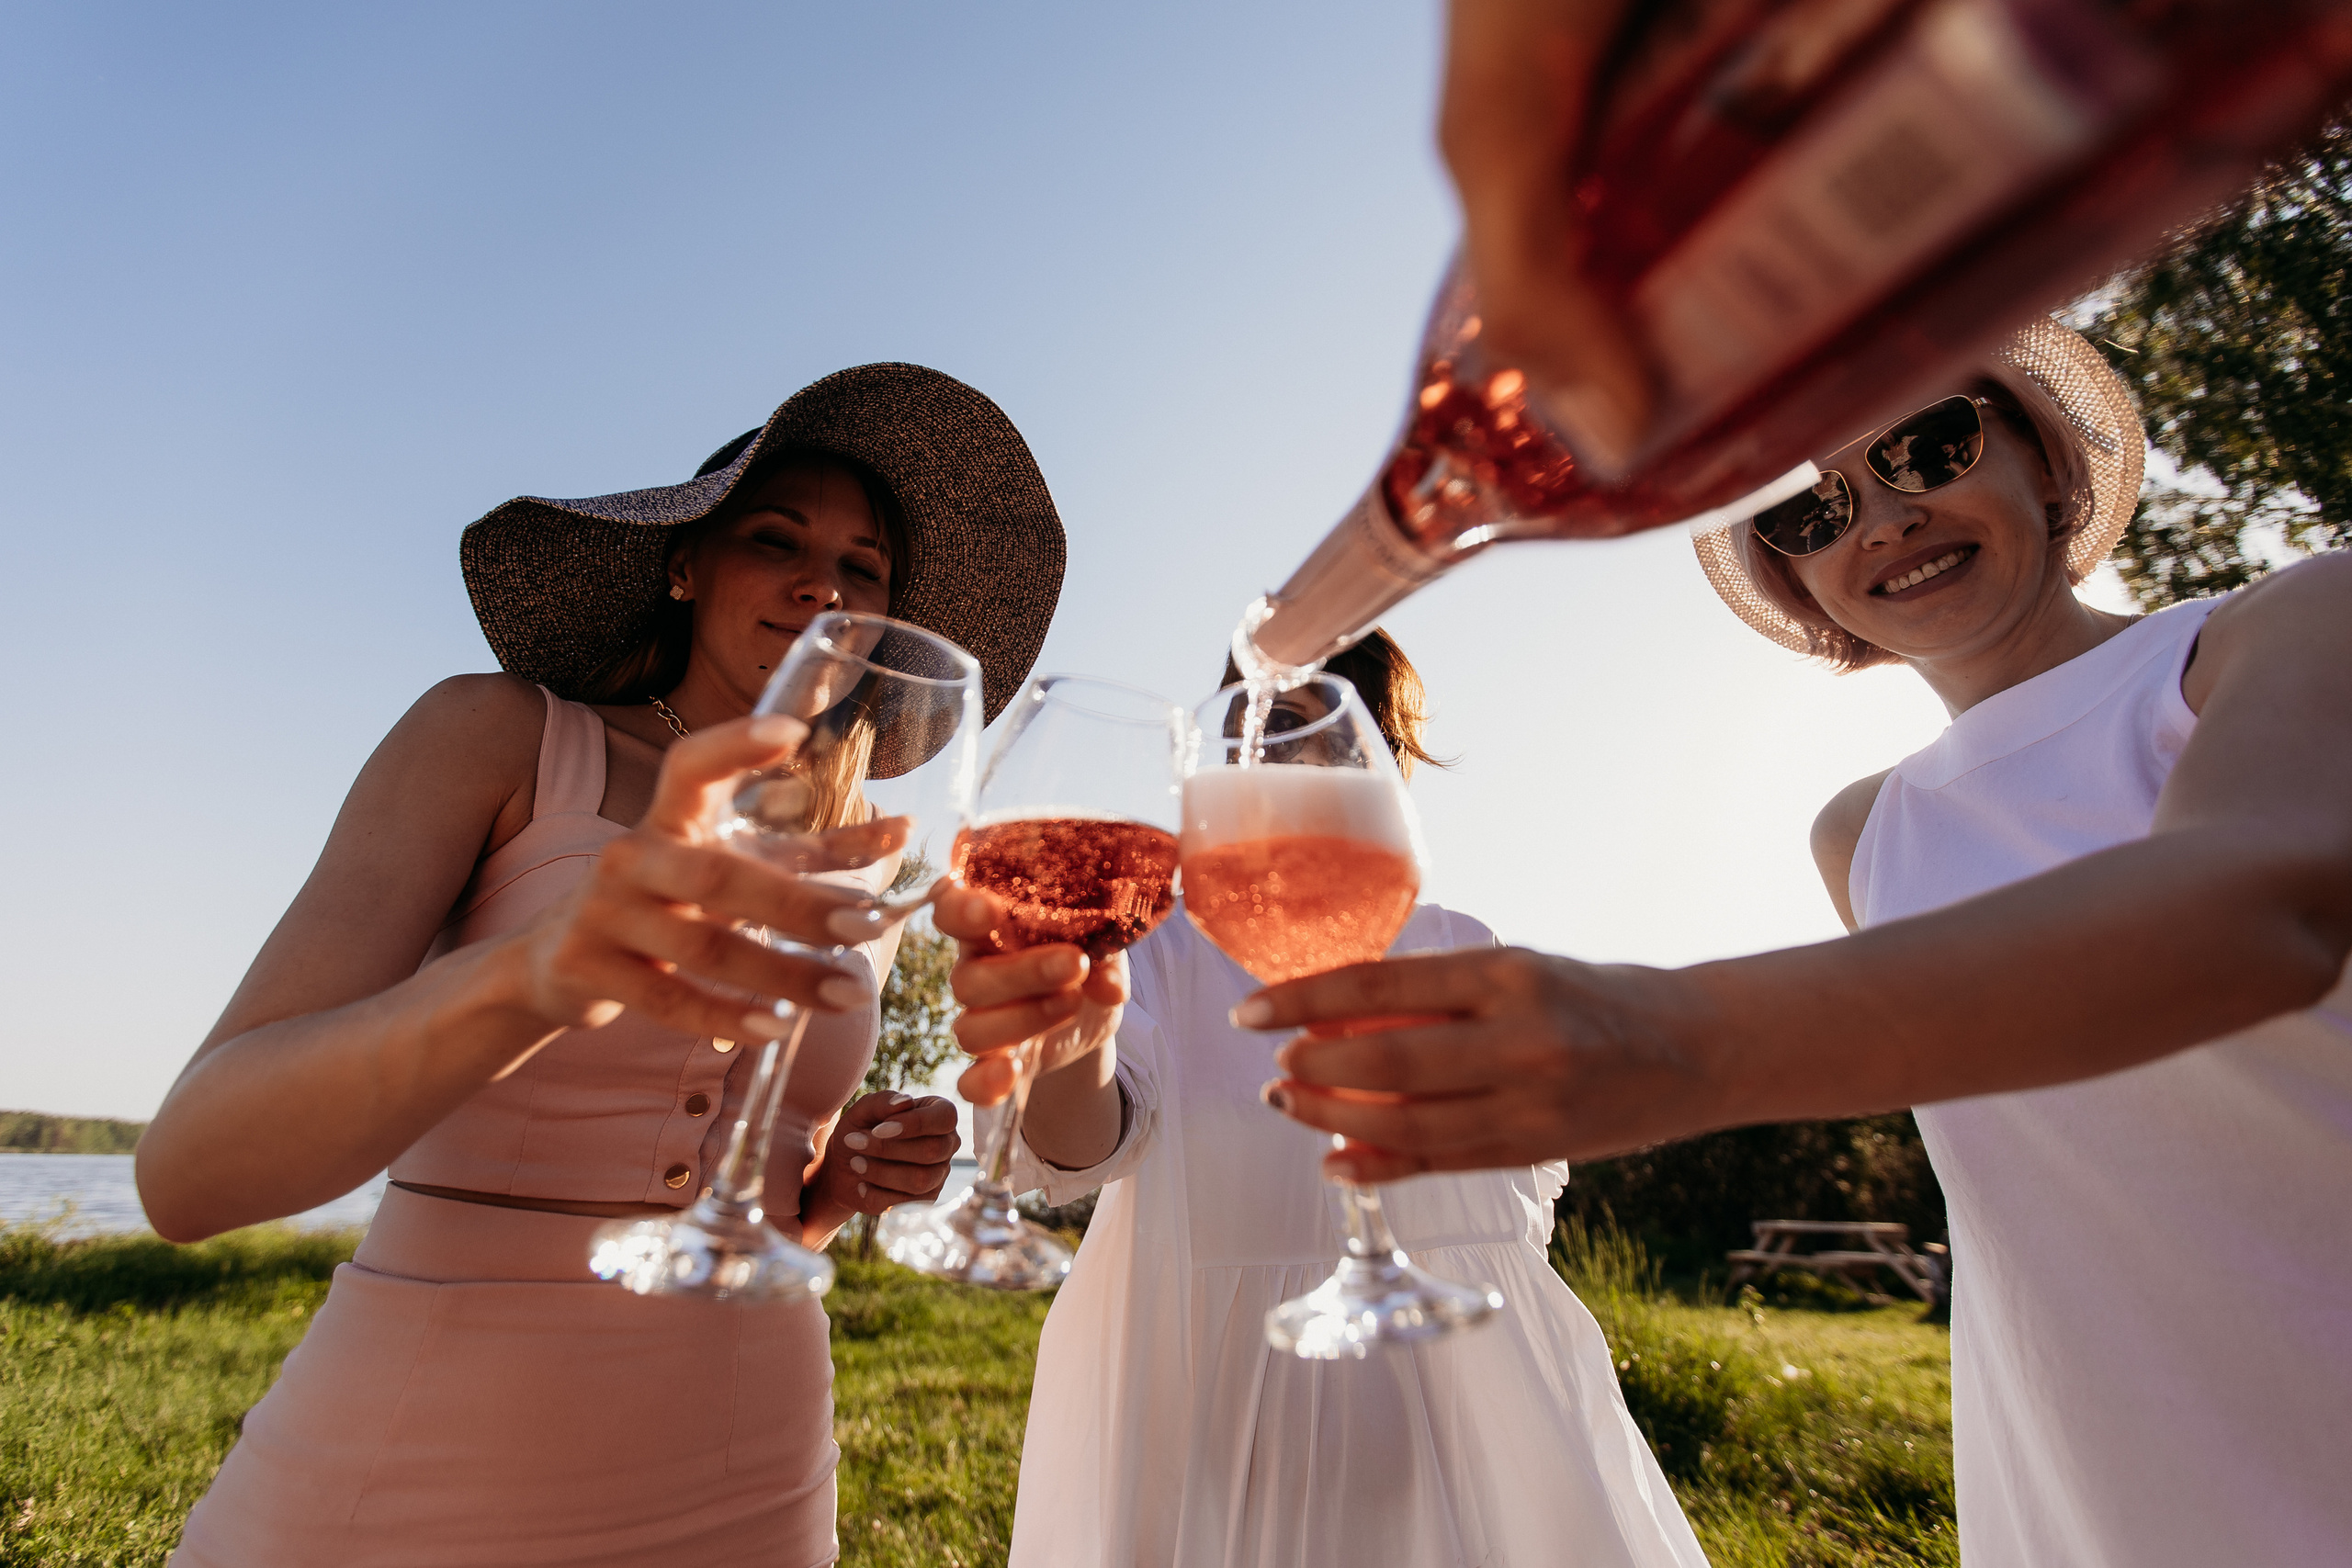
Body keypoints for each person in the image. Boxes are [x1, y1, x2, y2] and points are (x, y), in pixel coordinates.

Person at [1246, 321, 2352, 1566]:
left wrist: (1675, 1040)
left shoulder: (2288, 624)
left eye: (1927, 446)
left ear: (2047, 460)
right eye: (1809, 510)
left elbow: (2255, 908)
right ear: (1794, 573)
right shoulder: (1863, 831)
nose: (1882, 519)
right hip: (2077, 1445)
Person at [136, 363, 1067, 1568]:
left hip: (755, 1470)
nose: (823, 584)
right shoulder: (497, 736)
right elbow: (187, 1176)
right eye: (773, 538)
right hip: (425, 1454)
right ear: (685, 564)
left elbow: (757, 1217)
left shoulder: (868, 860)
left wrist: (836, 1187)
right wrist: (535, 973)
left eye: (864, 566)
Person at [935, 633, 1708, 1568]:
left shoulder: (1460, 944)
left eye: (1295, 724)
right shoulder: (1162, 942)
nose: (1259, 754)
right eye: (1243, 729)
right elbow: (1079, 1145)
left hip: (1473, 1405)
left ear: (1374, 756)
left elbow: (1515, 1191)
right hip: (1223, 1420)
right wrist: (1071, 1047)